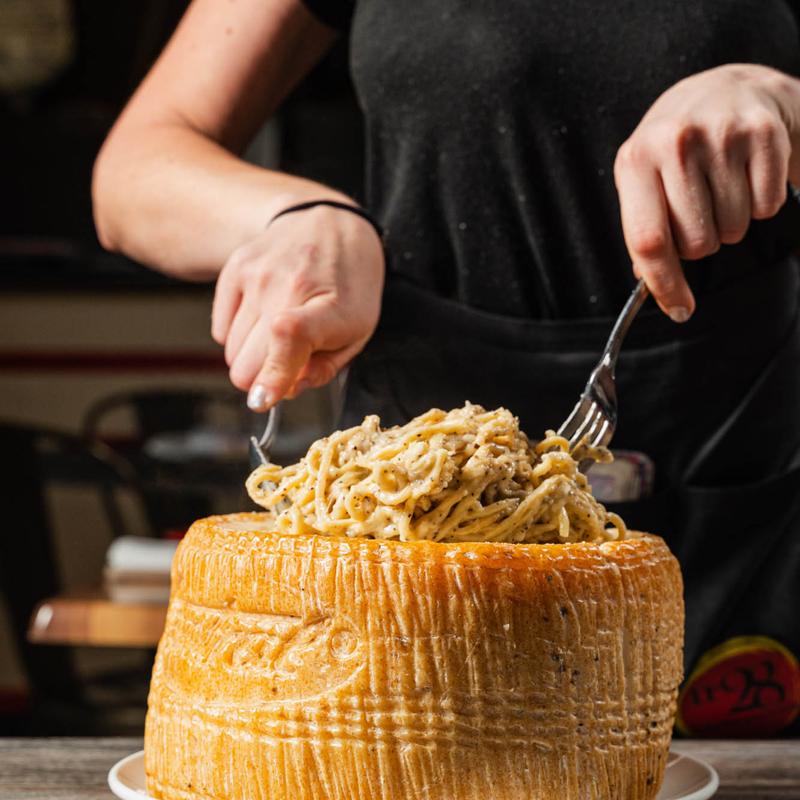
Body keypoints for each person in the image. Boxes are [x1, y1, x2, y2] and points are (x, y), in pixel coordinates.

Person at [93, 0, 800, 735]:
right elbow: (134, 169)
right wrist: (297, 213)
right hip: (407, 502)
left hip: (732, 463)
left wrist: (782, 99)